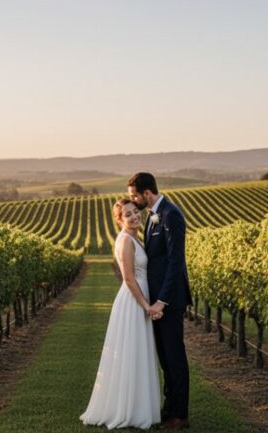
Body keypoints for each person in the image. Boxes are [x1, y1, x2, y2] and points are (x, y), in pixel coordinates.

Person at [80, 198, 161, 430]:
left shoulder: (135, 237)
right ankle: (127, 410)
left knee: (138, 352)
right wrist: (146, 305)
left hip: (139, 297)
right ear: (119, 220)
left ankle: (138, 407)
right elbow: (128, 278)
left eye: (136, 211)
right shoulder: (125, 240)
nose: (134, 216)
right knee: (130, 352)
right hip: (133, 301)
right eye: (127, 214)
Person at [128, 172, 192, 430]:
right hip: (157, 301)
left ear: (146, 193)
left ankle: (180, 414)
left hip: (170, 300)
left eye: (134, 195)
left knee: (174, 356)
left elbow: (176, 262)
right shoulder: (156, 215)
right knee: (165, 356)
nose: (132, 200)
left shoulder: (170, 214)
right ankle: (169, 407)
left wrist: (162, 301)